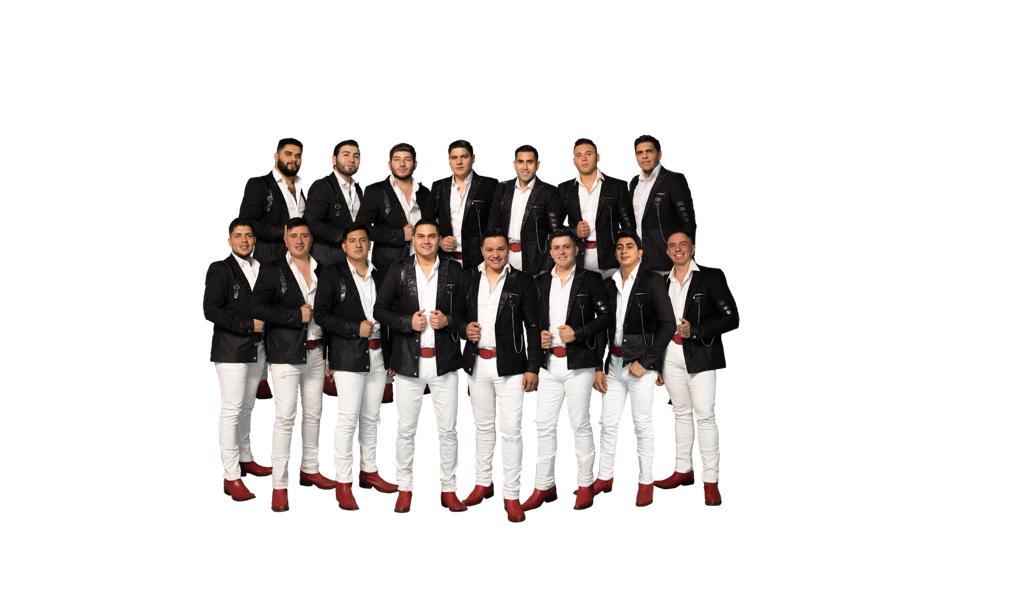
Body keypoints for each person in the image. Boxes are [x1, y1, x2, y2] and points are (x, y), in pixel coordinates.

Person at [373, 219, 467, 513]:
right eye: (421, 236)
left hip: (445, 362)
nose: (426, 241)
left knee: (448, 430)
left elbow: (468, 312)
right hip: (407, 362)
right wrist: (406, 322)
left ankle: (449, 489)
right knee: (405, 429)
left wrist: (448, 321)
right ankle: (405, 488)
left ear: (440, 239)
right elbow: (379, 310)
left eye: (432, 236)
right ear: (413, 239)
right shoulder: (398, 269)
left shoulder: (454, 270)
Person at [251, 218, 335, 512]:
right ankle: (279, 485)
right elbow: (257, 307)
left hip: (317, 353)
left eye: (305, 236)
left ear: (312, 239)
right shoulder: (272, 269)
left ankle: (310, 468)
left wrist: (330, 356)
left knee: (314, 414)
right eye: (294, 236)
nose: (299, 241)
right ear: (285, 239)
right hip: (285, 354)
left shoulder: (323, 269)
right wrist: (293, 316)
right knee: (285, 417)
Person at [314, 223, 399, 511]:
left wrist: (392, 356)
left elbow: (391, 315)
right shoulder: (332, 273)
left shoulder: (382, 273)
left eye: (363, 239)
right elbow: (321, 315)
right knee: (348, 418)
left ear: (369, 244)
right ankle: (343, 482)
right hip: (348, 355)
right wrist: (354, 329)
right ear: (344, 246)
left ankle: (369, 471)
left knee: (372, 417)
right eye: (353, 240)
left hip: (379, 356)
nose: (359, 245)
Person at [526, 229, 612, 512]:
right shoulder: (540, 282)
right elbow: (533, 322)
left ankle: (586, 485)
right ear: (550, 252)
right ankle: (544, 486)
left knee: (580, 423)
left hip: (579, 364)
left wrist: (578, 332)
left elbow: (606, 317)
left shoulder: (591, 279)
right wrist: (538, 337)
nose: (561, 252)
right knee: (543, 425)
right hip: (549, 364)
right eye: (556, 247)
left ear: (576, 249)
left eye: (566, 246)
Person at [459, 228, 541, 523]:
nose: (495, 254)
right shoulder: (469, 277)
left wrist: (533, 367)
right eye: (490, 249)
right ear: (482, 251)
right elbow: (456, 316)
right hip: (477, 365)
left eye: (501, 249)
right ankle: (483, 483)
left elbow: (533, 326)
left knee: (511, 430)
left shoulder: (523, 280)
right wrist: (464, 329)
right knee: (482, 427)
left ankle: (511, 495)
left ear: (508, 250)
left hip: (511, 367)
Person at [655, 230, 739, 506]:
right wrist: (656, 362)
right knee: (680, 413)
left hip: (701, 354)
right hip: (670, 356)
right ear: (667, 252)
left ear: (692, 248)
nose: (678, 249)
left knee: (705, 415)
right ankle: (683, 470)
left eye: (683, 244)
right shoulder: (662, 281)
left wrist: (696, 331)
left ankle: (711, 481)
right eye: (672, 246)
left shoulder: (711, 276)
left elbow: (731, 318)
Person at [593, 232, 674, 507]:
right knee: (608, 423)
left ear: (640, 252)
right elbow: (602, 327)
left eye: (630, 246)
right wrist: (598, 366)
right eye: (619, 247)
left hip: (640, 365)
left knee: (642, 423)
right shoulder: (609, 283)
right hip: (613, 365)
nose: (624, 251)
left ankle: (645, 482)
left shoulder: (652, 280)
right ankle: (604, 477)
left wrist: (648, 361)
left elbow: (667, 324)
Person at [204, 219, 274, 502]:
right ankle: (231, 475)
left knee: (247, 406)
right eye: (238, 235)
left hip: (258, 349)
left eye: (248, 235)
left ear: (255, 239)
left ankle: (245, 458)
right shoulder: (220, 269)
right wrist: (248, 325)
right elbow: (211, 310)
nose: (244, 240)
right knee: (231, 410)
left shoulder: (263, 268)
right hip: (231, 349)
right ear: (229, 240)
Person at [557, 139, 632, 278]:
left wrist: (624, 254)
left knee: (611, 292)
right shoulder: (565, 189)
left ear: (597, 157)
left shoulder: (617, 187)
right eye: (579, 155)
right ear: (574, 161)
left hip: (611, 259)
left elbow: (628, 226)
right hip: (577, 257)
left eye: (588, 154)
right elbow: (555, 227)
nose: (584, 159)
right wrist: (574, 231)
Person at [356, 143, 433, 272]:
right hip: (389, 267)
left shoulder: (425, 192)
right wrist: (400, 235)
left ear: (415, 164)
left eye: (407, 159)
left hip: (423, 264)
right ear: (390, 164)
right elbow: (361, 228)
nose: (402, 164)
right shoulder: (375, 191)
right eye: (397, 159)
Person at [488, 145, 562, 276]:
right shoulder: (502, 188)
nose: (525, 167)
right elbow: (492, 226)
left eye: (530, 162)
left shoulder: (549, 192)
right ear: (514, 164)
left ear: (537, 164)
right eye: (520, 162)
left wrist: (546, 267)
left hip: (535, 261)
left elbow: (556, 233)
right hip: (502, 257)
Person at [628, 135, 695, 273]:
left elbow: (687, 223)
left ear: (659, 154)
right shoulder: (634, 182)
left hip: (666, 261)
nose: (644, 156)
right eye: (640, 153)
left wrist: (685, 259)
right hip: (639, 261)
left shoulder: (674, 180)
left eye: (649, 151)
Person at [430, 140, 498, 270]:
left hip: (479, 259)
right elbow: (427, 221)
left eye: (464, 157)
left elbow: (495, 223)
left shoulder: (489, 185)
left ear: (473, 158)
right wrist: (439, 241)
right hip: (446, 260)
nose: (459, 162)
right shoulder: (439, 186)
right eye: (454, 157)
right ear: (449, 160)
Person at [239, 138, 308, 263]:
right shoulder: (259, 184)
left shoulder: (299, 187)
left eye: (298, 156)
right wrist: (284, 232)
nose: (293, 159)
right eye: (288, 154)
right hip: (270, 260)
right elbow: (246, 223)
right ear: (276, 156)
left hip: (301, 260)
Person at [305, 140, 364, 265]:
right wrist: (346, 237)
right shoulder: (322, 186)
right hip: (327, 260)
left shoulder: (358, 189)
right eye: (346, 154)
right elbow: (312, 223)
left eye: (356, 156)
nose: (351, 159)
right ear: (334, 159)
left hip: (352, 260)